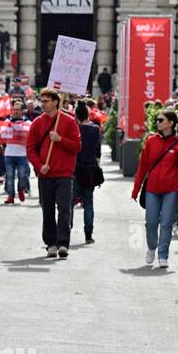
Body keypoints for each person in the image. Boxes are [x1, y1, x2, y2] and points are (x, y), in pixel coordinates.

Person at [27, 88, 82, 258]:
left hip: (64, 173)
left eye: (46, 101)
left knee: (65, 209)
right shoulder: (37, 122)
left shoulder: (69, 121)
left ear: (56, 102)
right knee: (48, 209)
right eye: (41, 101)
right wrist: (38, 166)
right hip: (45, 174)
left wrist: (60, 140)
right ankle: (50, 243)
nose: (42, 104)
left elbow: (77, 146)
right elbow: (30, 148)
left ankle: (63, 242)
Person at [130, 108, 178, 268]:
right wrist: (136, 189)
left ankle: (163, 255)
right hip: (152, 189)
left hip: (171, 190)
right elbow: (142, 167)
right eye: (157, 120)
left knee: (167, 223)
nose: (157, 122)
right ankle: (151, 247)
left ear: (171, 123)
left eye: (161, 120)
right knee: (151, 221)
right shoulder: (150, 141)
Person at [73, 100, 104, 245]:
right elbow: (98, 150)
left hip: (75, 168)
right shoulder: (95, 129)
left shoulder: (73, 129)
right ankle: (88, 234)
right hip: (90, 168)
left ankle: (67, 228)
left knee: (69, 202)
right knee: (89, 203)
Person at [0, 96, 32, 204]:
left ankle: (21, 189)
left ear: (22, 111)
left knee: (23, 176)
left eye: (18, 109)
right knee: (10, 177)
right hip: (9, 154)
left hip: (22, 155)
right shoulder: (6, 122)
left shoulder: (28, 123)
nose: (16, 111)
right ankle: (10, 196)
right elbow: (1, 136)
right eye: (14, 109)